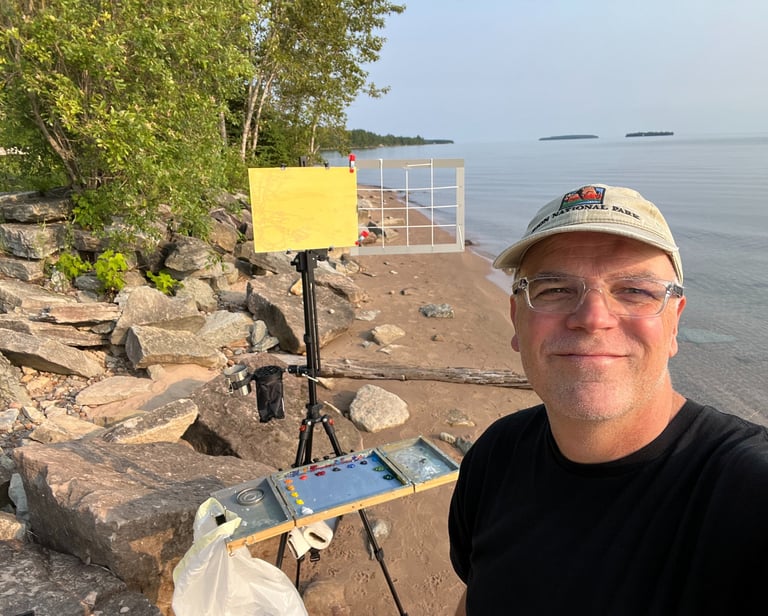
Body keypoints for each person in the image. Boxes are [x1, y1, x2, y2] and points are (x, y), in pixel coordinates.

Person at [448, 184, 768, 615]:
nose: (593, 318)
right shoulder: (495, 457)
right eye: (555, 288)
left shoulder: (744, 490)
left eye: (635, 290)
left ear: (674, 324)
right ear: (516, 318)